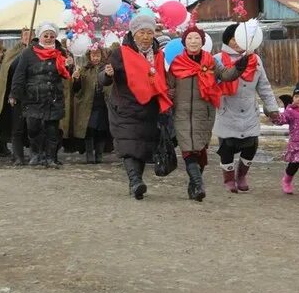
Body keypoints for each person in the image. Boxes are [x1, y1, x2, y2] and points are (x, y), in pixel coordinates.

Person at [168, 22, 244, 202]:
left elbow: (226, 75)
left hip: (205, 113)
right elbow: (168, 86)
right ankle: (199, 183)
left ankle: (193, 187)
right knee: (187, 149)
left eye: (196, 38)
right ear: (184, 42)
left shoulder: (211, 62)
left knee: (200, 150)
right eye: (189, 38)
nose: (193, 41)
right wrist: (167, 100)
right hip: (182, 113)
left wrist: (240, 66)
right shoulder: (177, 63)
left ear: (202, 41)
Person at [101, 12, 172, 200]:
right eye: (142, 32)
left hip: (149, 109)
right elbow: (104, 79)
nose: (146, 37)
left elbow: (164, 79)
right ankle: (135, 181)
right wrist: (107, 74)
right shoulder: (120, 54)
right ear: (133, 33)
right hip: (125, 108)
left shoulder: (158, 55)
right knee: (128, 144)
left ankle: (136, 182)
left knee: (141, 148)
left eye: (150, 32)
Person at [213, 23, 281, 193]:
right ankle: (228, 179)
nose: (237, 43)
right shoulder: (217, 59)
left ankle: (241, 175)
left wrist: (272, 108)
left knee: (251, 145)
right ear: (227, 40)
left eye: (240, 39)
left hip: (249, 110)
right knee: (226, 147)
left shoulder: (255, 59)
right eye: (233, 39)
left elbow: (264, 86)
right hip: (226, 109)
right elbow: (209, 84)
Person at [9, 23, 71, 168]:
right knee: (33, 127)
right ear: (40, 36)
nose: (49, 38)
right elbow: (19, 74)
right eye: (46, 35)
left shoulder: (61, 52)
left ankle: (51, 157)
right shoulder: (28, 53)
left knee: (52, 129)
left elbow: (65, 73)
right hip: (33, 97)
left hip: (53, 96)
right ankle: (36, 154)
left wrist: (69, 65)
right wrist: (14, 94)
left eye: (52, 36)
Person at [0, 27, 31, 165]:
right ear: (21, 37)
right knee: (17, 127)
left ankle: (36, 154)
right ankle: (17, 155)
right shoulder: (13, 52)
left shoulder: (38, 51)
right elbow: (10, 68)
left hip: (33, 95)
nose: (28, 37)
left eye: (31, 34)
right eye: (25, 35)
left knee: (33, 126)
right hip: (17, 94)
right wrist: (23, 55)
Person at [71, 45, 113, 164]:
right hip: (88, 105)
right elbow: (76, 89)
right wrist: (77, 79)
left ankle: (99, 155)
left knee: (101, 130)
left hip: (103, 104)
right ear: (89, 56)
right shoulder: (84, 70)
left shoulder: (107, 68)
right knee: (89, 130)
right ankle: (89, 154)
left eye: (98, 55)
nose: (95, 58)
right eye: (93, 55)